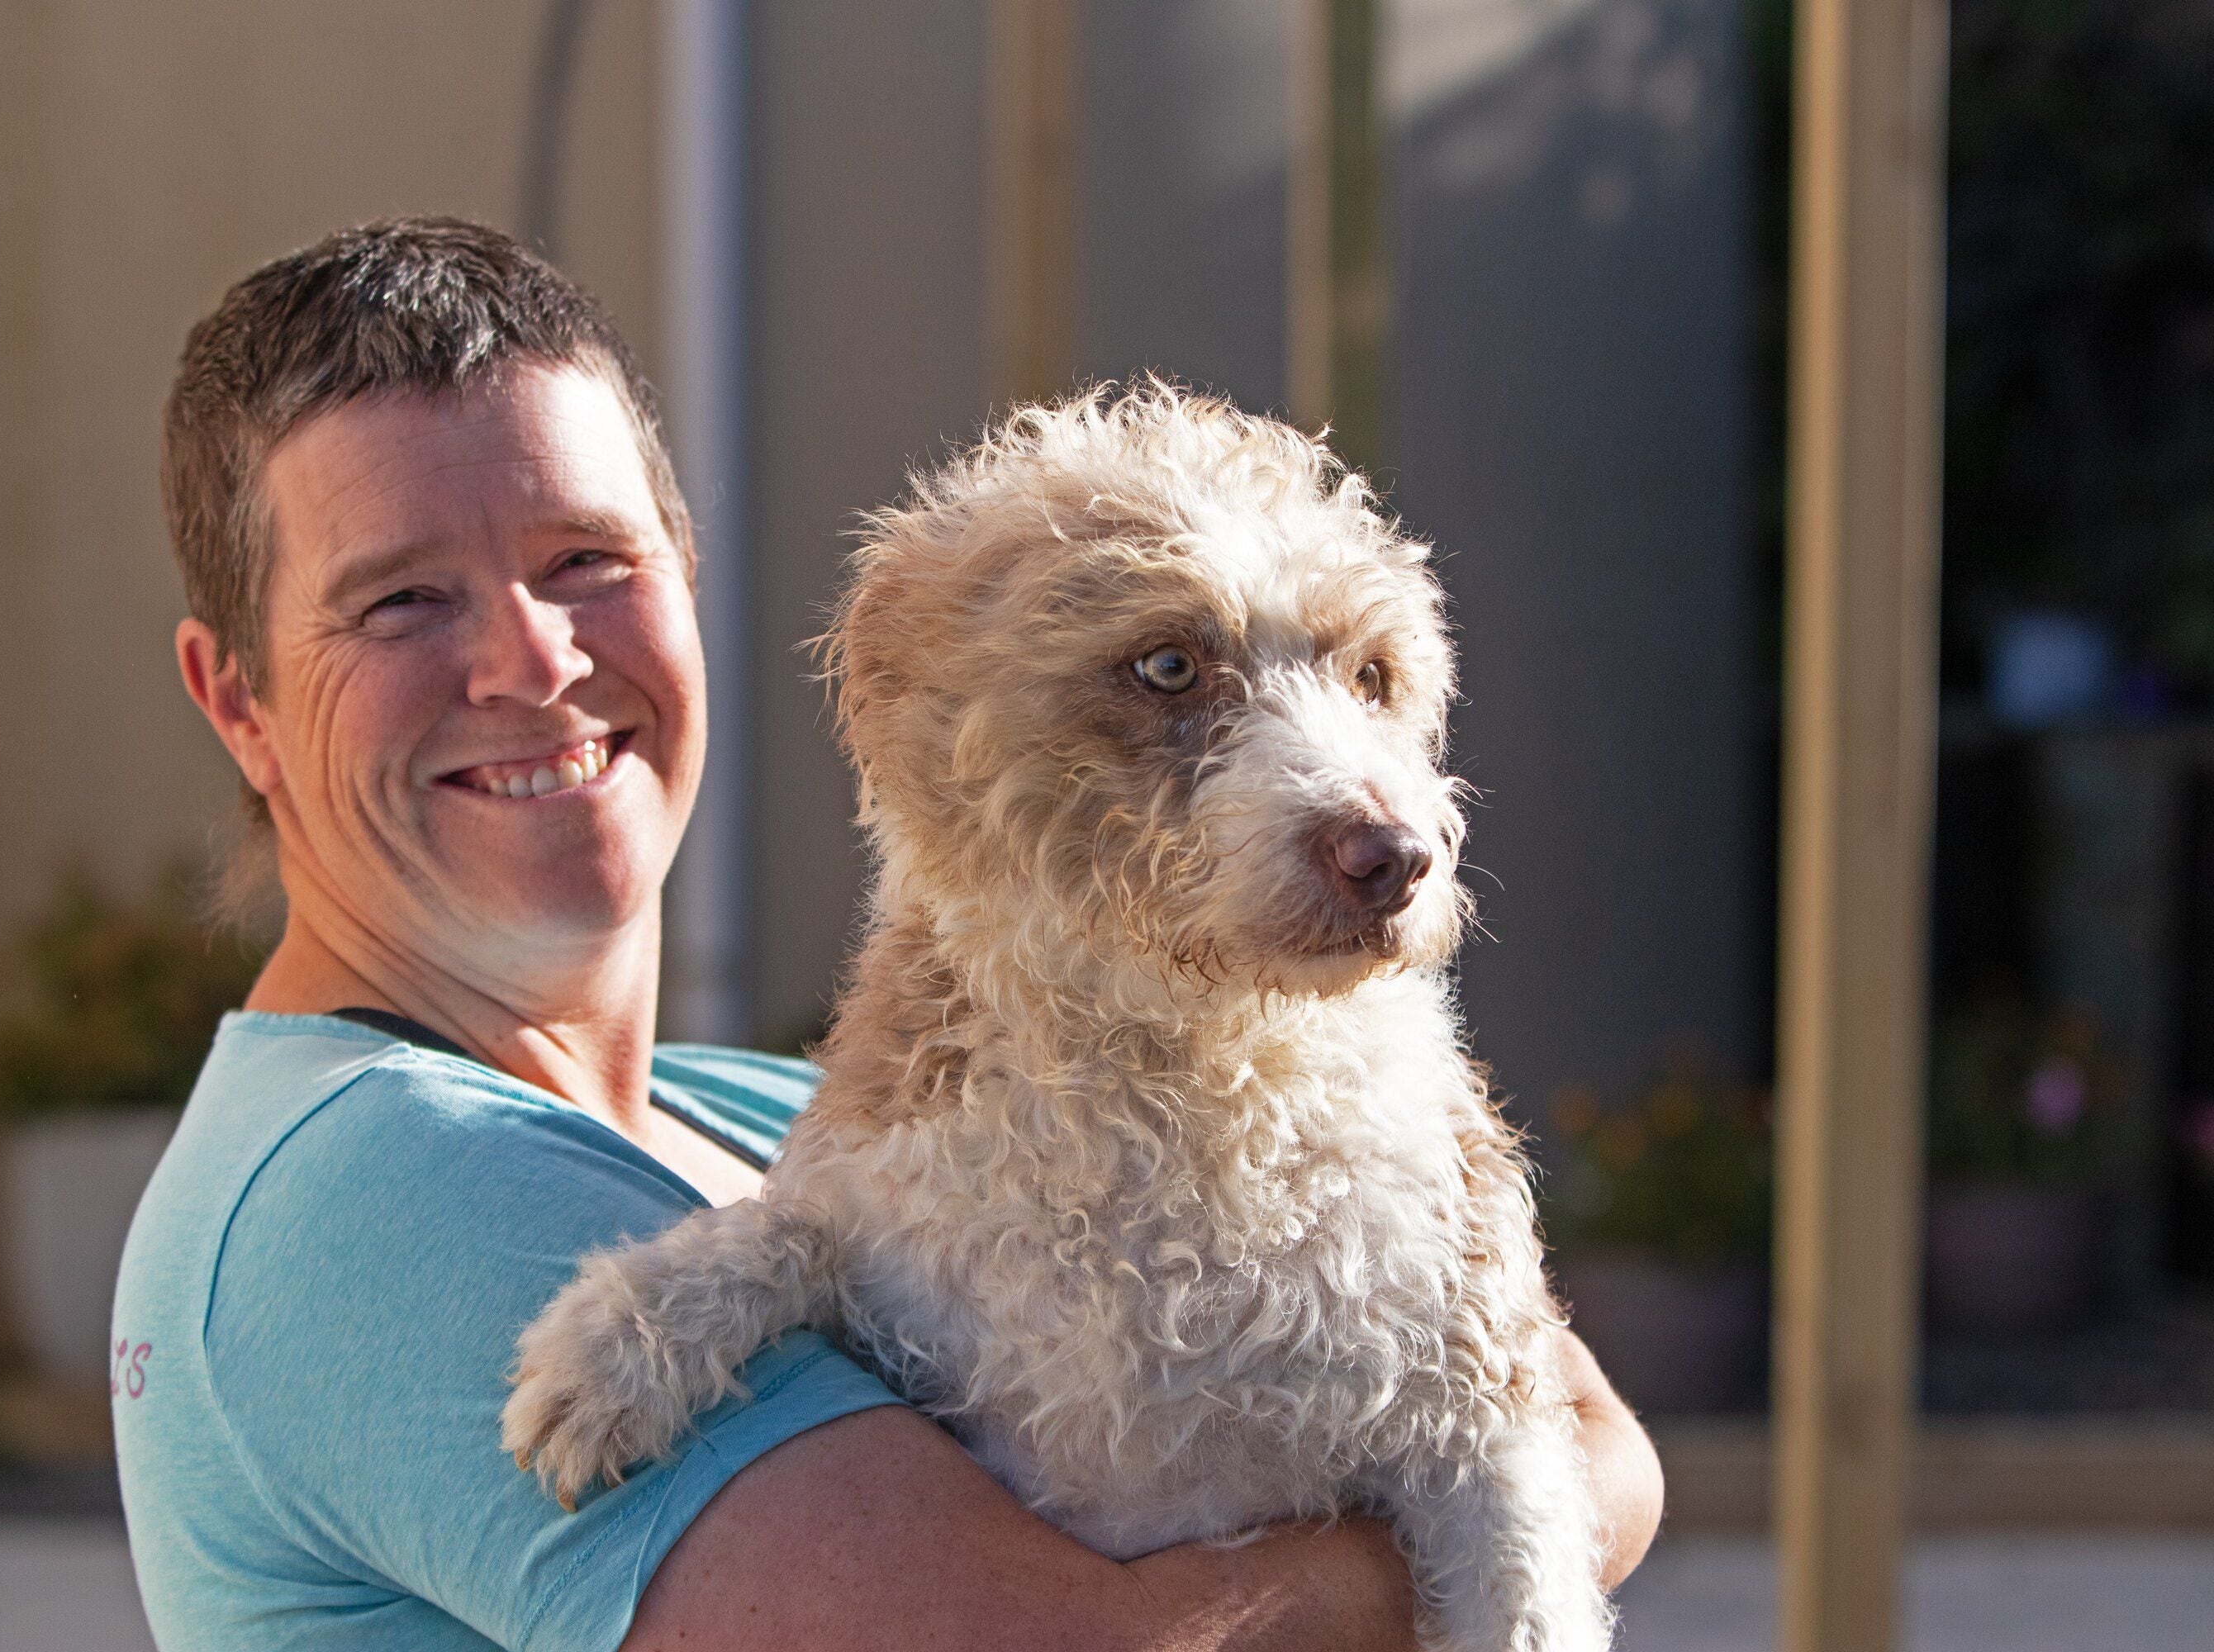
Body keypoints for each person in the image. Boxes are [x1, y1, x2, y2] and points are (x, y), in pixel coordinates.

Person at [114, 216, 1663, 1652]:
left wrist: (1524, 1471)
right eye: (398, 602)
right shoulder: (376, 1199)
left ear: (686, 576)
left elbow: (1592, 1442)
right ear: (234, 699)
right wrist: (1470, 1540)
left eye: (586, 561)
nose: (533, 660)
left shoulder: (777, 1115)